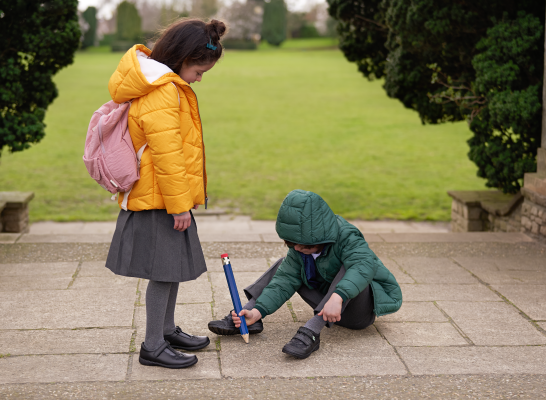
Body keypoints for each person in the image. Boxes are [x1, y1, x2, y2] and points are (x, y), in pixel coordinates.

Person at [105, 18, 227, 369]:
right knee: (163, 271)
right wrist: (179, 206)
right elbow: (167, 155)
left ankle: (167, 329)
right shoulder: (162, 90)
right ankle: (153, 346)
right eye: (199, 70)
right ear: (181, 57)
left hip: (164, 197)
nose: (201, 77)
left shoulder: (162, 83)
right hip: (160, 201)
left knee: (171, 268)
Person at [208, 190, 403, 359]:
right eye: (293, 244)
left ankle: (311, 331)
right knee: (286, 267)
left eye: (305, 246)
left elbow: (363, 266)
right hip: (327, 303)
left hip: (356, 311)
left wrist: (338, 296)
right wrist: (258, 310)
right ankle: (249, 316)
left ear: (321, 235)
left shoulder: (347, 235)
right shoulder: (300, 246)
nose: (299, 249)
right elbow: (284, 281)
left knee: (349, 268)